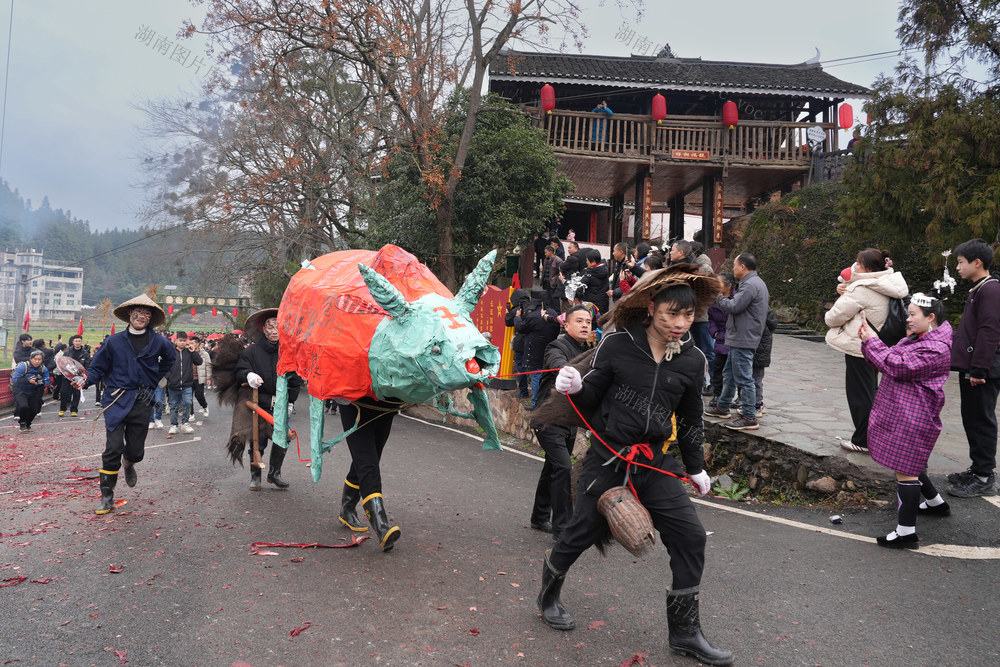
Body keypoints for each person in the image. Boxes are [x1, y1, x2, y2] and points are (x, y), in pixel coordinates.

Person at [536, 267, 732, 666]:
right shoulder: (618, 345)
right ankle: (549, 594)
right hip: (607, 458)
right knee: (579, 532)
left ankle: (685, 633)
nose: (679, 324)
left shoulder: (693, 359)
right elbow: (591, 397)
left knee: (691, 536)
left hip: (653, 462)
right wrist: (576, 387)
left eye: (687, 316)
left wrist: (695, 467)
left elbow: (693, 417)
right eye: (669, 315)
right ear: (651, 308)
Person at [859, 293, 952, 548]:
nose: (907, 319)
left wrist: (872, 342)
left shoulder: (934, 347)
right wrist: (870, 343)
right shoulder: (921, 338)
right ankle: (935, 503)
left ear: (930, 317)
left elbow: (897, 365)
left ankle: (906, 532)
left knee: (906, 471)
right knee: (910, 460)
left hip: (913, 414)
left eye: (912, 315)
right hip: (908, 410)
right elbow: (889, 360)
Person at [73, 294, 176, 514]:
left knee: (136, 450)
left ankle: (130, 463)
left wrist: (154, 377)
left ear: (151, 318)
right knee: (113, 448)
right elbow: (97, 368)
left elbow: (170, 359)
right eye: (139, 312)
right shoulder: (113, 342)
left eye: (148, 314)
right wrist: (86, 380)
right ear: (130, 313)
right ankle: (107, 496)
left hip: (143, 399)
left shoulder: (159, 341)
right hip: (116, 399)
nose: (142, 317)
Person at [824, 248, 908, 453]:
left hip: (859, 345)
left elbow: (833, 317)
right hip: (879, 346)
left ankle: (863, 440)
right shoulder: (891, 283)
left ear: (868, 269)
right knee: (873, 392)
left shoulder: (861, 288)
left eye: (858, 263)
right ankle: (878, 437)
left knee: (860, 395)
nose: (855, 266)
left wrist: (848, 290)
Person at [528, 305, 593, 539]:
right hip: (547, 418)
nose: (585, 325)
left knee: (553, 467)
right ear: (566, 324)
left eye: (588, 321)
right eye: (580, 321)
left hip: (569, 421)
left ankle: (539, 517)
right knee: (564, 467)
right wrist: (569, 371)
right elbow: (558, 363)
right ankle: (563, 527)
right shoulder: (557, 346)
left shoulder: (592, 351)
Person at [948, 239, 1000, 497]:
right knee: (972, 418)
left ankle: (984, 477)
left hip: (983, 370)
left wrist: (979, 369)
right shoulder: (979, 288)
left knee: (981, 420)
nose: (957, 267)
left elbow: (989, 331)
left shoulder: (990, 290)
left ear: (977, 263)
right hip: (973, 366)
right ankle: (977, 468)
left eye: (960, 262)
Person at [231, 308, 303, 490]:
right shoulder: (252, 352)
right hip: (259, 406)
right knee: (258, 442)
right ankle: (255, 477)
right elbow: (239, 370)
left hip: (280, 405)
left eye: (277, 327)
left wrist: (290, 401)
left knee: (283, 439)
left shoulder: (288, 352)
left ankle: (274, 473)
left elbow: (295, 379)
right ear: (263, 329)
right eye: (270, 327)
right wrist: (248, 375)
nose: (274, 331)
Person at [704, 253, 769, 431]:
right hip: (742, 336)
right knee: (730, 373)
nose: (733, 269)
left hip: (743, 337)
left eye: (734, 266)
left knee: (744, 378)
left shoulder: (749, 285)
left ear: (743, 267)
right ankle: (722, 406)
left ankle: (749, 416)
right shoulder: (756, 283)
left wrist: (718, 297)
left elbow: (733, 307)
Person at [514, 289, 560, 410]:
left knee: (536, 376)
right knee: (548, 378)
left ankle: (536, 403)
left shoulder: (533, 316)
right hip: (550, 349)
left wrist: (517, 318)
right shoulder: (553, 314)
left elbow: (520, 328)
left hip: (534, 350)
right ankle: (546, 402)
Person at [165, 332, 202, 435]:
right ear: (176, 341)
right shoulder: (171, 352)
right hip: (173, 384)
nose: (182, 343)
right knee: (174, 406)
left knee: (187, 403)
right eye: (180, 340)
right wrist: (169, 377)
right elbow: (164, 365)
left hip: (187, 384)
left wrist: (193, 352)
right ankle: (174, 425)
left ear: (187, 341)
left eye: (184, 341)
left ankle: (185, 423)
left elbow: (199, 362)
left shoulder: (189, 352)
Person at [706, 274, 732, 408]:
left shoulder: (737, 299)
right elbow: (711, 319)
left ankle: (739, 397)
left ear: (728, 285)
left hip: (734, 339)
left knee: (735, 370)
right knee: (717, 369)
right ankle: (717, 394)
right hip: (721, 338)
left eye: (719, 284)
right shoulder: (714, 300)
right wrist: (715, 332)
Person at [12, 349, 49, 432]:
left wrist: (41, 382)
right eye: (35, 359)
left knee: (35, 409)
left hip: (36, 390)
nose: (37, 361)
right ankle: (22, 423)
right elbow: (15, 379)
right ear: (31, 358)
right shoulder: (23, 367)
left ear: (42, 360)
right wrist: (28, 380)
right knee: (23, 406)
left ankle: (28, 424)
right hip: (21, 390)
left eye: (39, 360)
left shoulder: (43, 368)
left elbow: (47, 379)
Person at [505, 288, 531, 398]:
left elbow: (508, 322)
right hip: (531, 341)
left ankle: (523, 391)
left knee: (520, 366)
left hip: (520, 342)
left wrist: (507, 313)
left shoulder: (517, 310)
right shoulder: (531, 307)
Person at [752, 309, 778, 418]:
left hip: (758, 351)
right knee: (757, 379)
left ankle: (757, 405)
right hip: (762, 353)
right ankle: (757, 403)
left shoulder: (759, 311)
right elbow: (773, 324)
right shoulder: (767, 311)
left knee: (755, 379)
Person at [59, 335, 91, 417]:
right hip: (67, 376)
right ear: (73, 342)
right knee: (63, 393)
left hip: (79, 377)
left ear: (81, 342)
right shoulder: (67, 352)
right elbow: (63, 363)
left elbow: (87, 366)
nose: (77, 343)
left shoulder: (85, 354)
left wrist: (83, 376)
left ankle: (74, 410)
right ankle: (62, 409)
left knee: (76, 393)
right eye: (76, 341)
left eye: (79, 341)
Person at [579, 249, 610, 315]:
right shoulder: (604, 270)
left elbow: (580, 285)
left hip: (591, 305)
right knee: (600, 321)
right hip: (603, 303)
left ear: (593, 261)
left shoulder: (589, 273)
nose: (586, 262)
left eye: (587, 260)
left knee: (591, 321)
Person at [191, 334, 212, 419]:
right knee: (188, 397)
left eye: (192, 343)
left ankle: (205, 406)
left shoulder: (204, 354)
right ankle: (191, 414)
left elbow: (208, 365)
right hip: (188, 378)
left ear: (197, 344)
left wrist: (208, 378)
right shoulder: (188, 352)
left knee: (199, 395)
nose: (191, 344)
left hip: (199, 378)